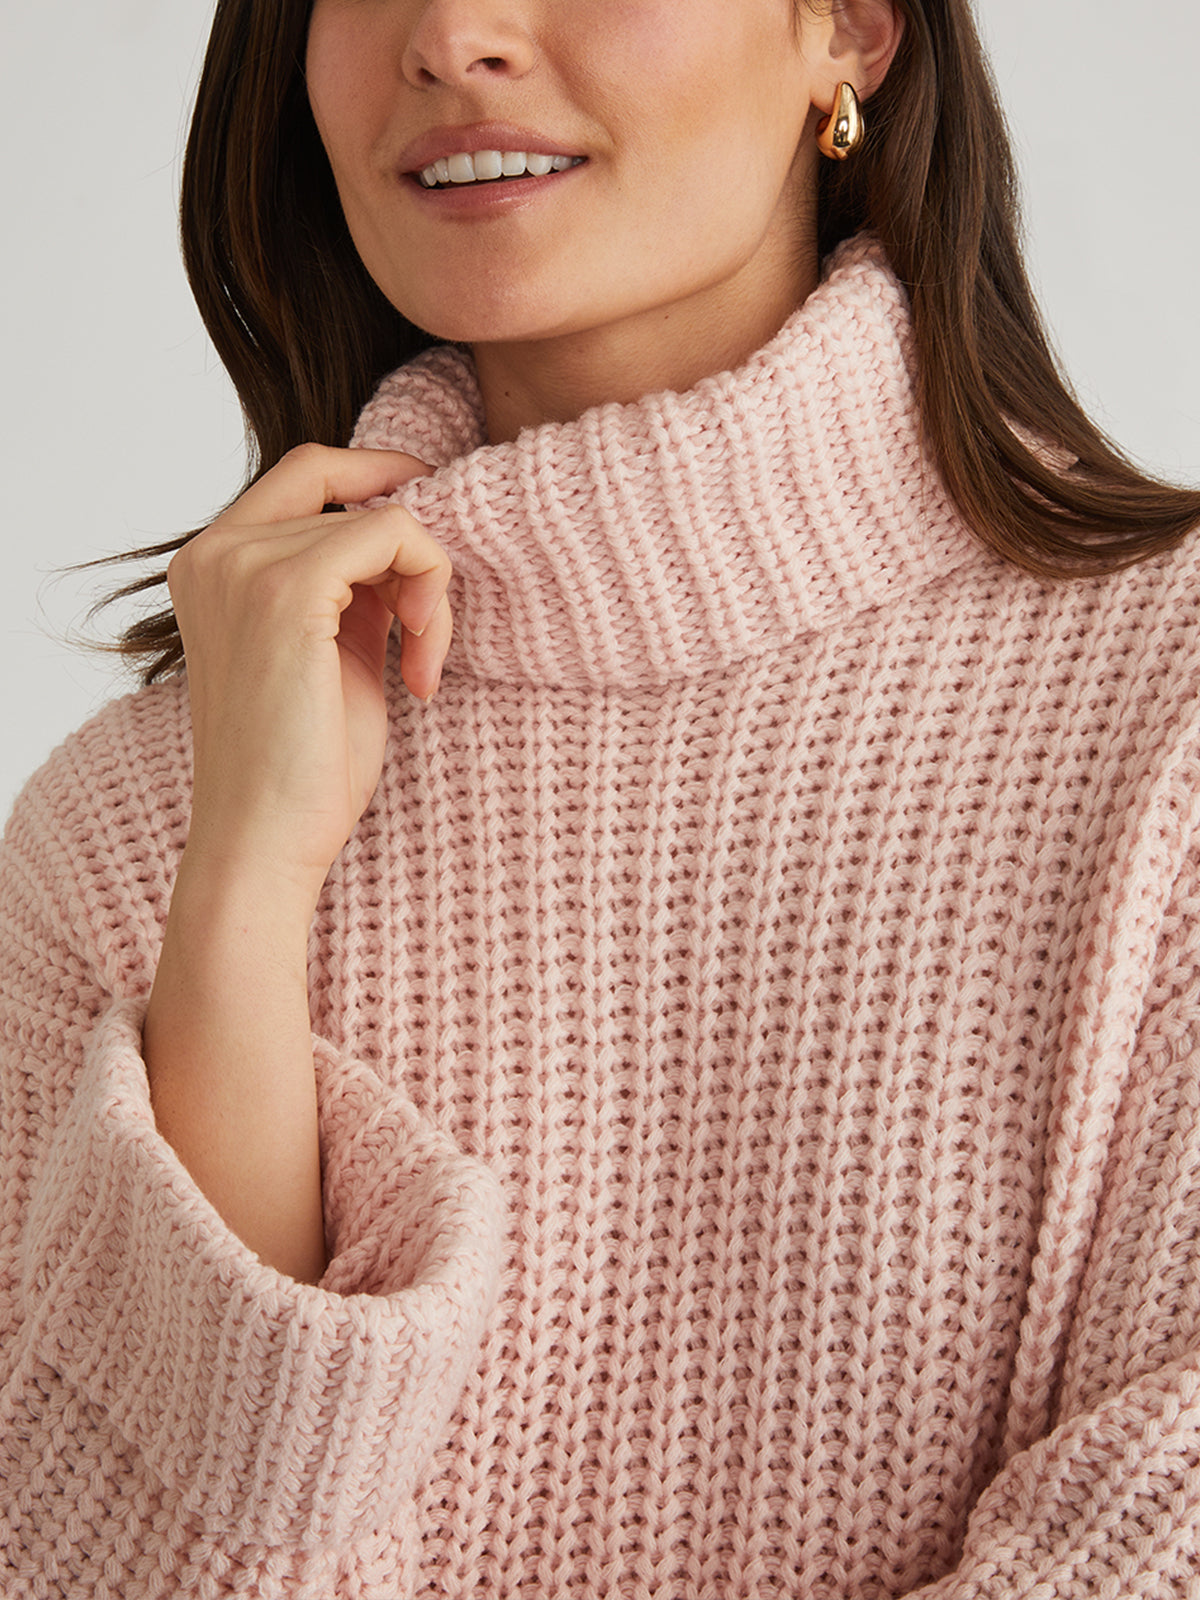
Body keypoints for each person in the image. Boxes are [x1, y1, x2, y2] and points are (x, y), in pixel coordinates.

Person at [3, 0, 1200, 1593]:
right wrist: (236, 901)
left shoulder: (1166, 707)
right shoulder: (131, 827)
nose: (451, 33)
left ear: (849, 28)